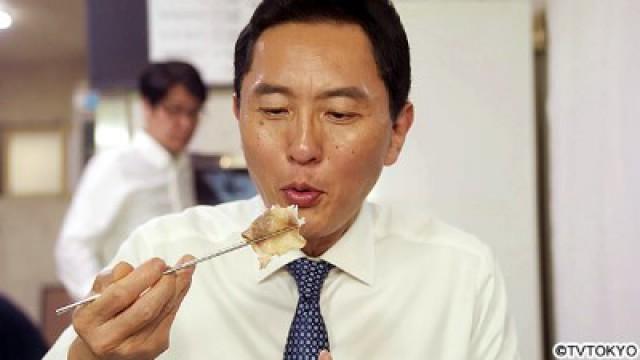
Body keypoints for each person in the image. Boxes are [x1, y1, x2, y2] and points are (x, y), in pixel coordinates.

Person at [45, 1, 519, 359]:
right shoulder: (163, 254)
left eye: (339, 113)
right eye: (273, 110)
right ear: (239, 115)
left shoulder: (461, 277)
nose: (303, 146)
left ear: (397, 131)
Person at [55, 61, 208, 300]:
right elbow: (73, 246)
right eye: (174, 110)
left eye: (193, 112)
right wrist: (103, 305)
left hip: (180, 304)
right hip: (132, 310)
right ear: (147, 106)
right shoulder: (115, 164)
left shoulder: (182, 166)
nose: (186, 124)